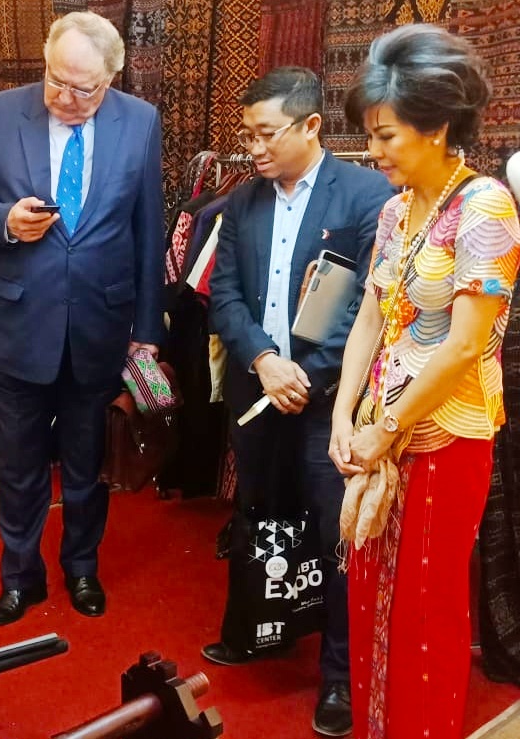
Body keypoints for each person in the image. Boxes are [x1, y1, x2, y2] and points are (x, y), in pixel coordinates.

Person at [330, 24, 520, 739]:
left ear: (437, 127)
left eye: (385, 135)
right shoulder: (393, 209)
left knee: (424, 609)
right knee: (368, 597)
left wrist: (386, 426)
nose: (372, 151)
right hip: (384, 431)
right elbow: (370, 320)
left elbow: (468, 344)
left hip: (446, 436)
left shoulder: (486, 208)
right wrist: (344, 416)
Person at [0, 11, 164, 626]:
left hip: (100, 324)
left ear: (111, 78)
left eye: (84, 89)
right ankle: (20, 578)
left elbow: (149, 229)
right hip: (21, 324)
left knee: (86, 461)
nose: (66, 99)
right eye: (56, 82)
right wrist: (4, 224)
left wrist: (147, 330)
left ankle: (82, 567)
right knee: (18, 465)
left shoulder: (141, 122)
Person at [206, 66, 394, 737]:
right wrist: (262, 359)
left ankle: (338, 677)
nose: (253, 148)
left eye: (265, 134)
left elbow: (367, 307)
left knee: (331, 534)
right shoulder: (241, 201)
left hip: (327, 401)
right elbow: (224, 295)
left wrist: (305, 377)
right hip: (258, 394)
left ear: (311, 126)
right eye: (246, 134)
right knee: (258, 515)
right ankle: (257, 628)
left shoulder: (366, 196)